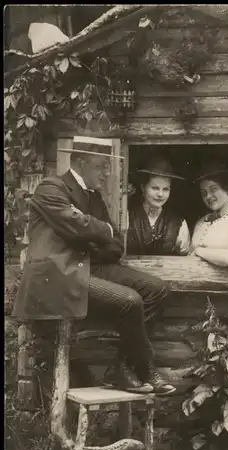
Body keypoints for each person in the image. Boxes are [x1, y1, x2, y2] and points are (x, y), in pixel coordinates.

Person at [13, 136, 175, 395]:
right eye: (101, 166)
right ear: (81, 162)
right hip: (58, 276)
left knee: (158, 289)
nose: (107, 173)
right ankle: (145, 370)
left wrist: (96, 234)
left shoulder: (94, 198)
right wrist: (101, 231)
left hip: (88, 267)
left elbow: (115, 244)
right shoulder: (51, 188)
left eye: (107, 167)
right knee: (130, 300)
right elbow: (78, 226)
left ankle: (121, 367)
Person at [189, 162, 228, 267]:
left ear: (227, 189)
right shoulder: (201, 222)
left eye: (213, 189)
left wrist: (199, 251)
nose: (208, 196)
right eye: (204, 193)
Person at [127, 157, 190, 255]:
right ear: (143, 188)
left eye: (165, 189)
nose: (160, 194)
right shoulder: (127, 217)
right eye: (155, 188)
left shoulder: (179, 223)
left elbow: (185, 256)